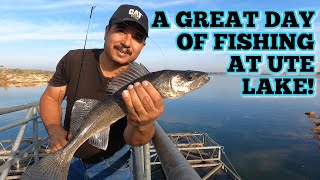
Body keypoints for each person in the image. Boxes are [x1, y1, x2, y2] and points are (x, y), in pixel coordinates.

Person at [39, 4, 164, 179]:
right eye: (121, 30)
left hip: (113, 166)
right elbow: (51, 98)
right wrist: (54, 129)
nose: (127, 43)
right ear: (106, 31)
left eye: (137, 37)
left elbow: (134, 140)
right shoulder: (73, 60)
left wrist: (143, 123)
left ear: (142, 46)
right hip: (70, 155)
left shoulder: (143, 86)